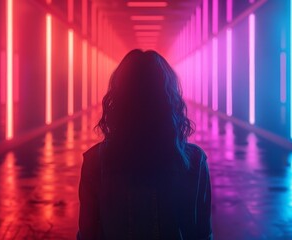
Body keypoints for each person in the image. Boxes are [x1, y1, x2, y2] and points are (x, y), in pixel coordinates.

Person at [77, 49, 212, 240]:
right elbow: (201, 234)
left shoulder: (94, 162)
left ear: (118, 100)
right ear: (168, 100)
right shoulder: (194, 161)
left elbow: (87, 236)